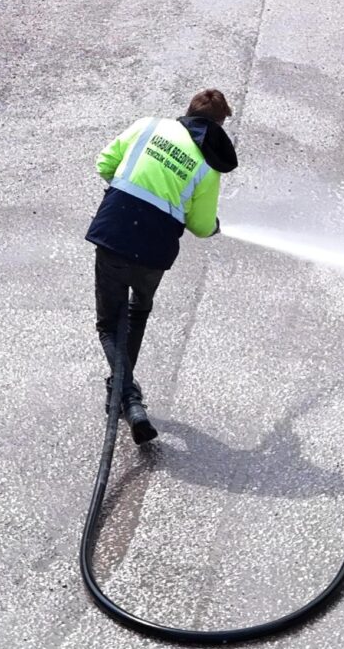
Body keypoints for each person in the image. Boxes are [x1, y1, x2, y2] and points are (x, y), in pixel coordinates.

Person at [86, 88, 237, 443]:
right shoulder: (207, 167)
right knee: (137, 312)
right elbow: (201, 226)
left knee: (109, 324)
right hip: (154, 251)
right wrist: (212, 225)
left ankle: (128, 397)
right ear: (217, 126)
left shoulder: (147, 126)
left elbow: (105, 164)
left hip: (114, 232)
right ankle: (125, 393)